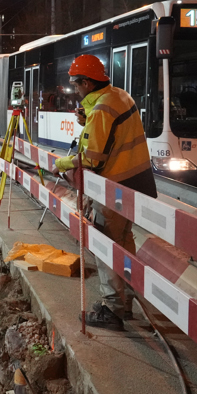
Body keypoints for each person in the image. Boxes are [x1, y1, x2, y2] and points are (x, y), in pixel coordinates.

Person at [53, 54, 156, 331]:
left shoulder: (101, 110)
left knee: (107, 247)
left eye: (77, 85)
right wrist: (88, 120)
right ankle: (126, 303)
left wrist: (62, 163)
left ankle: (112, 308)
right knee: (124, 243)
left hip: (114, 190)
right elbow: (113, 136)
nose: (76, 90)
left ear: (86, 83)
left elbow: (93, 159)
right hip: (136, 183)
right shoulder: (120, 96)